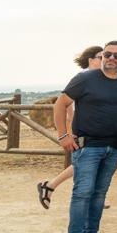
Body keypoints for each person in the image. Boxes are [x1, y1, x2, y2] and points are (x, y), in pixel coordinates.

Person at [53, 41, 117, 233]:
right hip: (88, 146)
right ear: (102, 56)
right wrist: (63, 136)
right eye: (107, 54)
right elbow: (60, 104)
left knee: (99, 194)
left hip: (114, 147)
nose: (111, 58)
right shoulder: (85, 79)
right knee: (82, 193)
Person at [37, 45, 102, 210]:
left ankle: (50, 185)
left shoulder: (98, 78)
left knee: (88, 163)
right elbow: (65, 104)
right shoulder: (83, 77)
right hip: (82, 130)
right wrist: (67, 132)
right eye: (100, 57)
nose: (104, 60)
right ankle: (50, 185)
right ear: (91, 60)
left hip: (94, 130)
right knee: (83, 163)